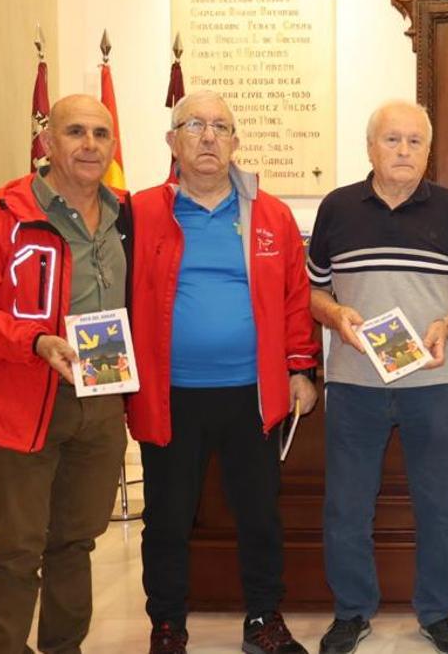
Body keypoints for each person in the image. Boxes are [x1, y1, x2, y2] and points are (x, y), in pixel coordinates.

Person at [0, 94, 130, 654]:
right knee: (18, 545)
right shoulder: (2, 216)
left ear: (113, 146)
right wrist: (34, 341)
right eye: (75, 132)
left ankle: (64, 647)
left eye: (100, 134)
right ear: (48, 144)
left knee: (76, 541)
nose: (89, 145)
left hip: (100, 400)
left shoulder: (124, 215)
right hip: (20, 402)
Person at [127, 89, 320, 654]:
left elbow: (293, 298)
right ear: (172, 142)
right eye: (194, 126)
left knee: (259, 516)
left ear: (236, 142)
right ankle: (167, 624)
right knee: (166, 520)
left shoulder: (272, 215)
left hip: (250, 396)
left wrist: (301, 368)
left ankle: (264, 619)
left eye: (221, 127)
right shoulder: (138, 213)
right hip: (170, 397)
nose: (209, 137)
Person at [308, 100, 448, 654]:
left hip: (434, 385)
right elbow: (314, 291)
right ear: (371, 148)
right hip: (353, 384)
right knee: (347, 506)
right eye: (392, 140)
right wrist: (336, 315)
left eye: (415, 142)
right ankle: (351, 612)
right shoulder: (338, 209)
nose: (404, 152)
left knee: (438, 506)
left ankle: (437, 613)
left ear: (428, 150)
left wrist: (447, 322)